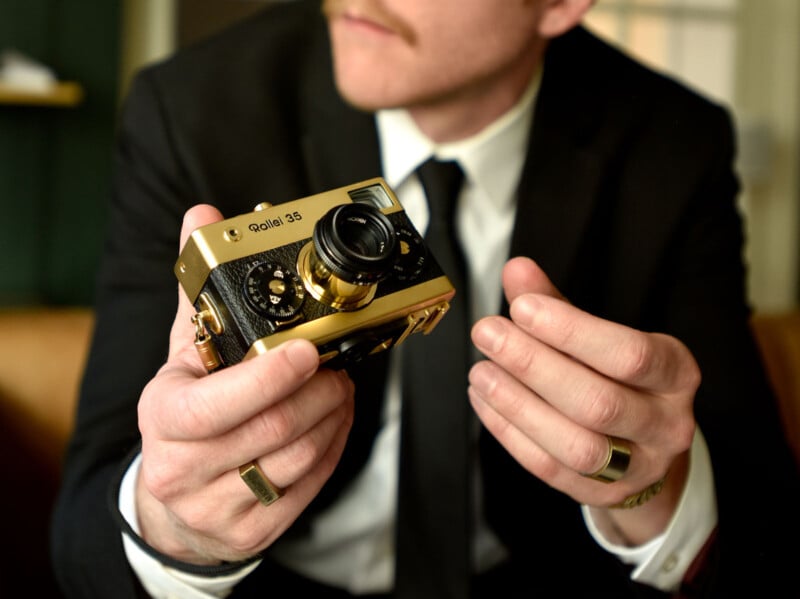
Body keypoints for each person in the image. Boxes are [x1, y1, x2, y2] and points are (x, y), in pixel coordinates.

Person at [50, 0, 800, 597]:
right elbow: (82, 532)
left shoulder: (672, 143)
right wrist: (173, 523)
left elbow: (760, 531)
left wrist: (652, 493)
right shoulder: (192, 111)